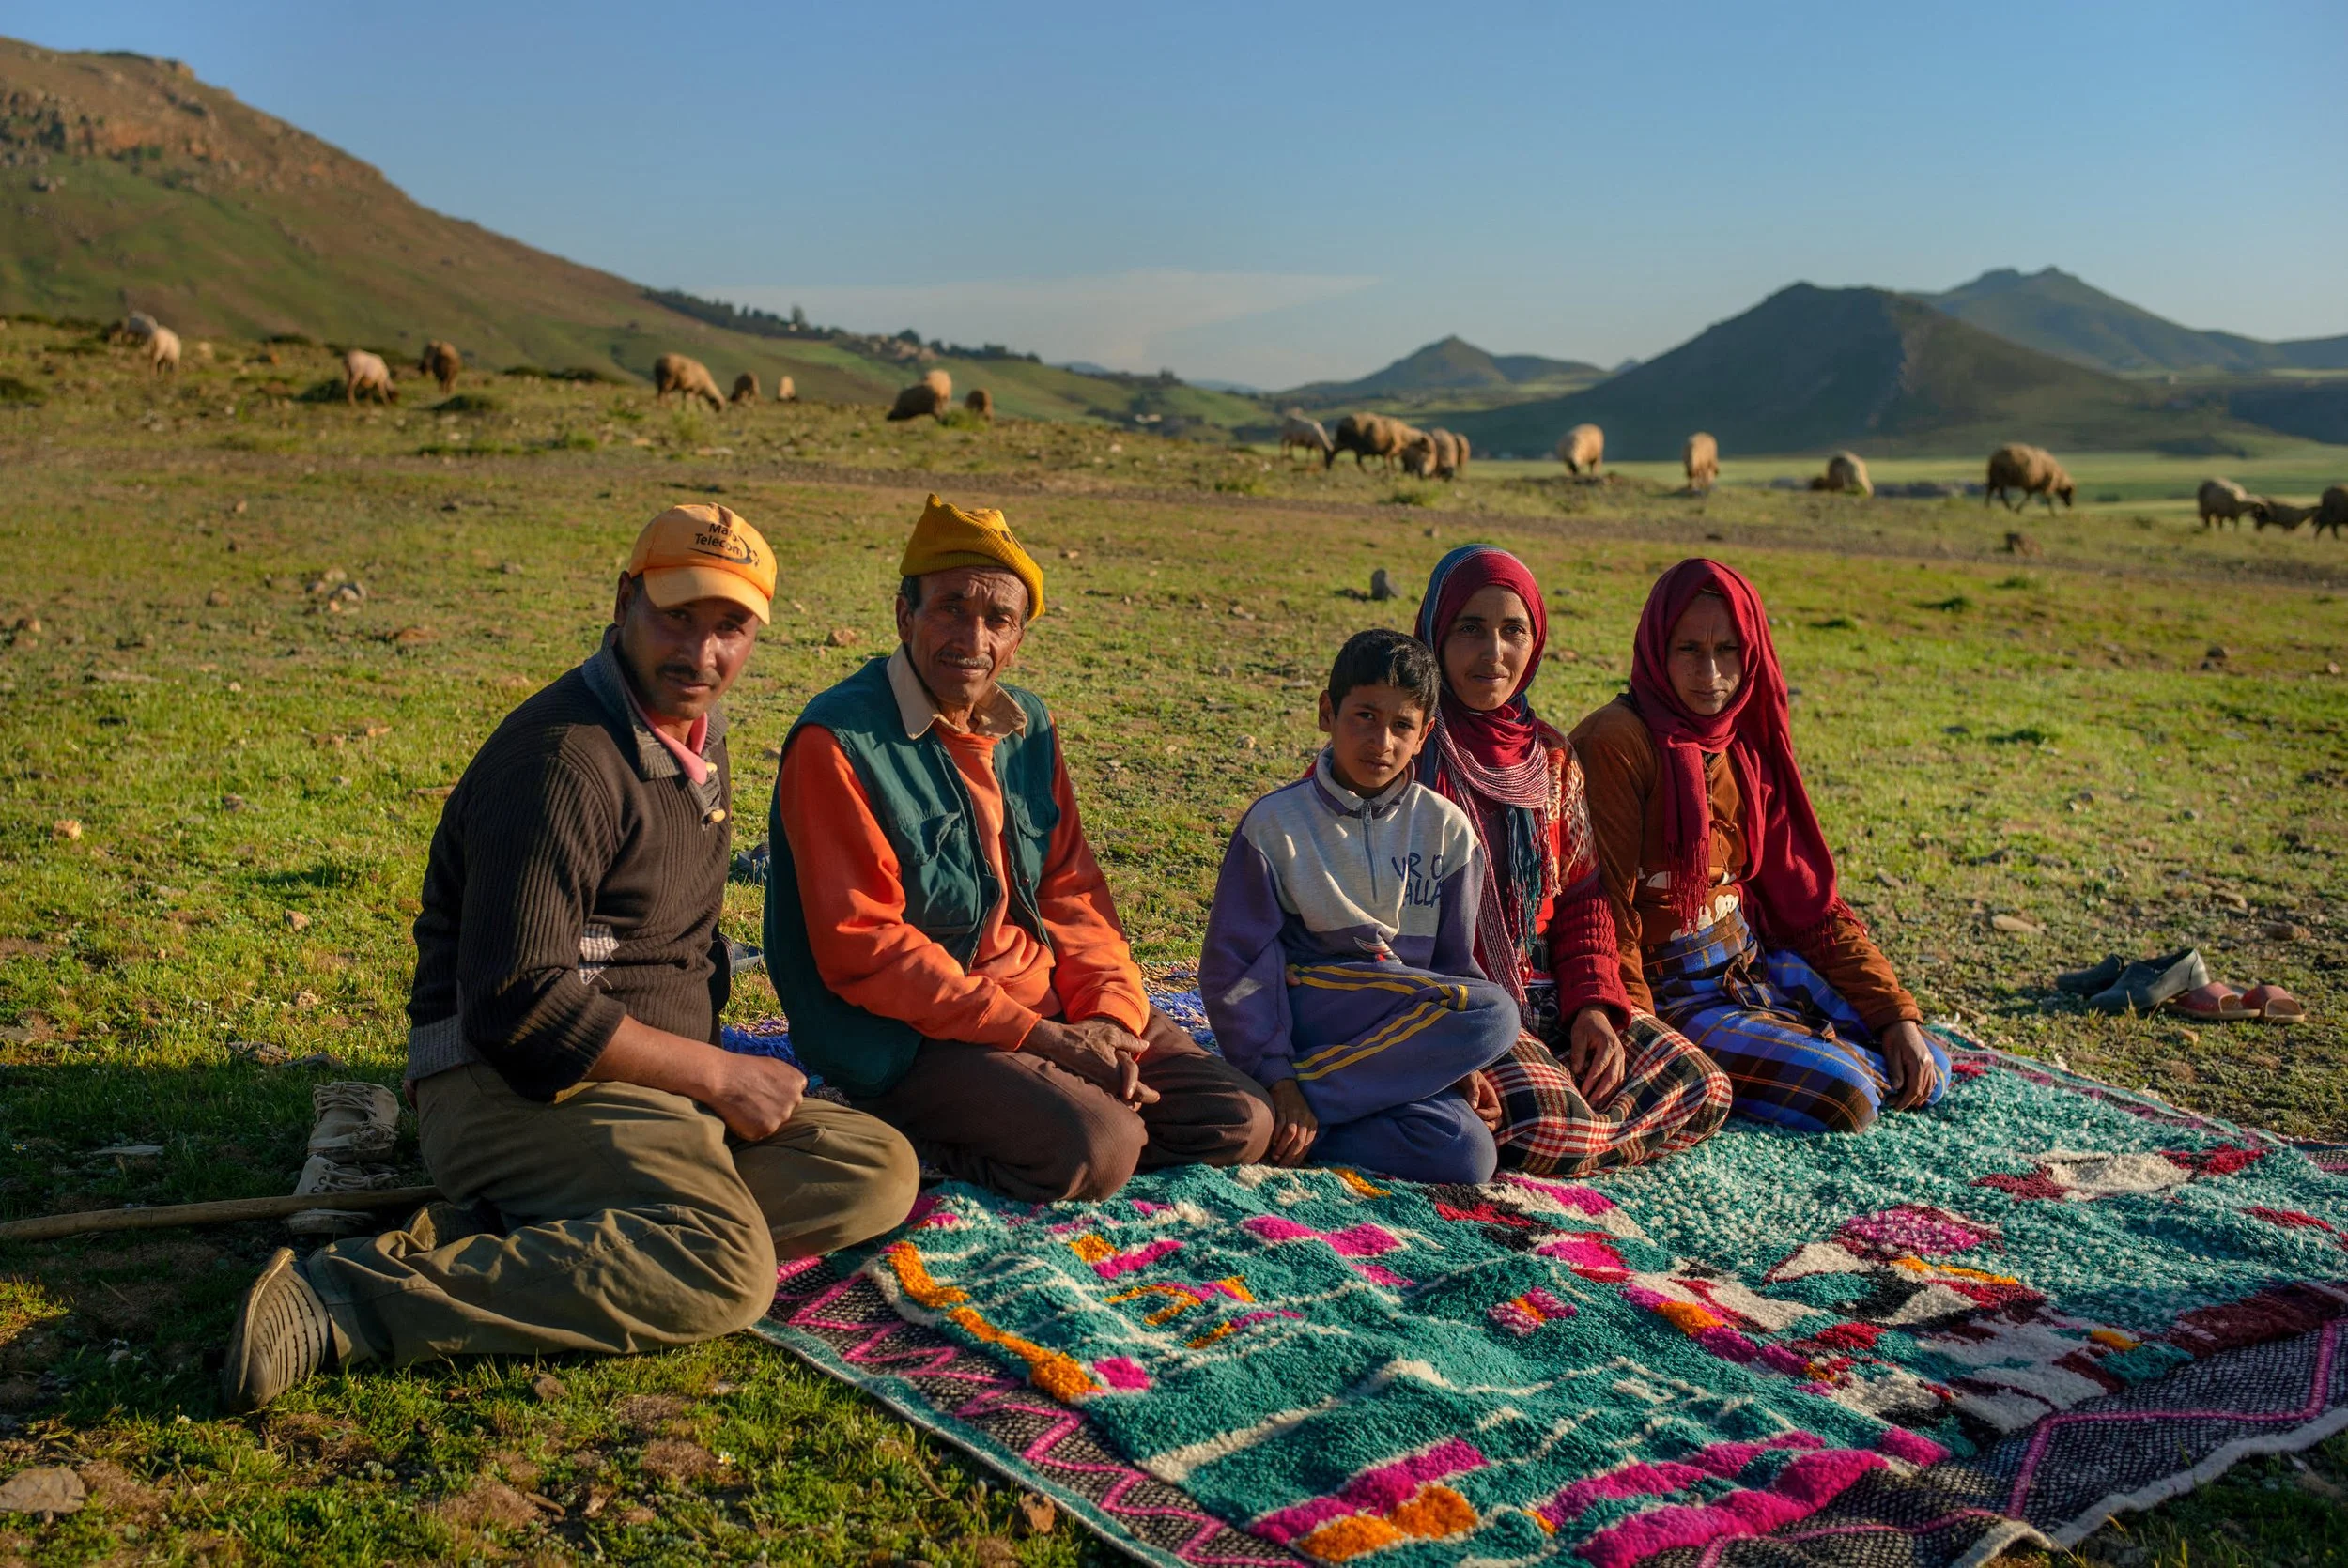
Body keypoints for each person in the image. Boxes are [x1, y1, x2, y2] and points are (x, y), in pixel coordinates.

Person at [221, 503, 920, 1413]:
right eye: (677, 616)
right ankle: (344, 1298)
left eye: (730, 628)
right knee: (725, 1267)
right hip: (510, 1084)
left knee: (872, 1168)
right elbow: (519, 1006)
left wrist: (706, 1078)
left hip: (646, 1088)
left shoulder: (691, 739)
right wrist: (716, 1072)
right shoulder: (562, 761)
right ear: (626, 599)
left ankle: (521, 1230)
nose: (701, 653)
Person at [765, 495, 1271, 1204]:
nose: (973, 638)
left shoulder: (1026, 725)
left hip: (1052, 1004)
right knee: (1100, 1147)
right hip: (916, 1032)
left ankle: (1052, 1114)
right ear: (904, 615)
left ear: (1019, 637)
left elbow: (1071, 890)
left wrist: (1104, 1021)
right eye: (950, 608)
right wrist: (1042, 1042)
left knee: (1241, 1121)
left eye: (998, 619)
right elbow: (867, 947)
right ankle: (925, 1130)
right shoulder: (840, 742)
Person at [1570, 558, 1947, 1133]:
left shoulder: (1745, 740)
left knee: (1928, 1063)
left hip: (1751, 966)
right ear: (1655, 649)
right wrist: (1646, 1039)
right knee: (1850, 1096)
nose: (1710, 673)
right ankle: (1795, 1057)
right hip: (1673, 994)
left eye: (1729, 651)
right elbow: (1608, 908)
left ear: (1753, 656)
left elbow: (1808, 908)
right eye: (1689, 650)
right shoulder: (1617, 742)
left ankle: (1804, 1047)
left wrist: (1895, 1015)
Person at [1414, 546, 1732, 1176]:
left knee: (1707, 1087)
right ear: (1435, 634)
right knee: (1544, 1121)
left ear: (1535, 644)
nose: (1493, 651)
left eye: (1513, 631)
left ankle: (1583, 1132)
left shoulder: (1552, 760)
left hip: (1549, 989)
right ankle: (1575, 1128)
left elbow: (1584, 901)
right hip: (1460, 1001)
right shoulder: (1410, 751)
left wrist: (1594, 1005)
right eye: (1470, 629)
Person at [1201, 627, 1521, 1184]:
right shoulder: (1277, 826)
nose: (1383, 742)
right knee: (1495, 1012)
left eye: (1403, 726)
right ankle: (1294, 1096)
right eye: (1365, 717)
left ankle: (1300, 1122)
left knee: (1467, 1155)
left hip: (1391, 1037)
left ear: (1425, 736)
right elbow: (1237, 967)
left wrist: (1452, 1057)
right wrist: (1278, 1074)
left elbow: (1452, 966)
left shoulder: (1447, 830)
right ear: (1328, 713)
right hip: (1312, 1013)